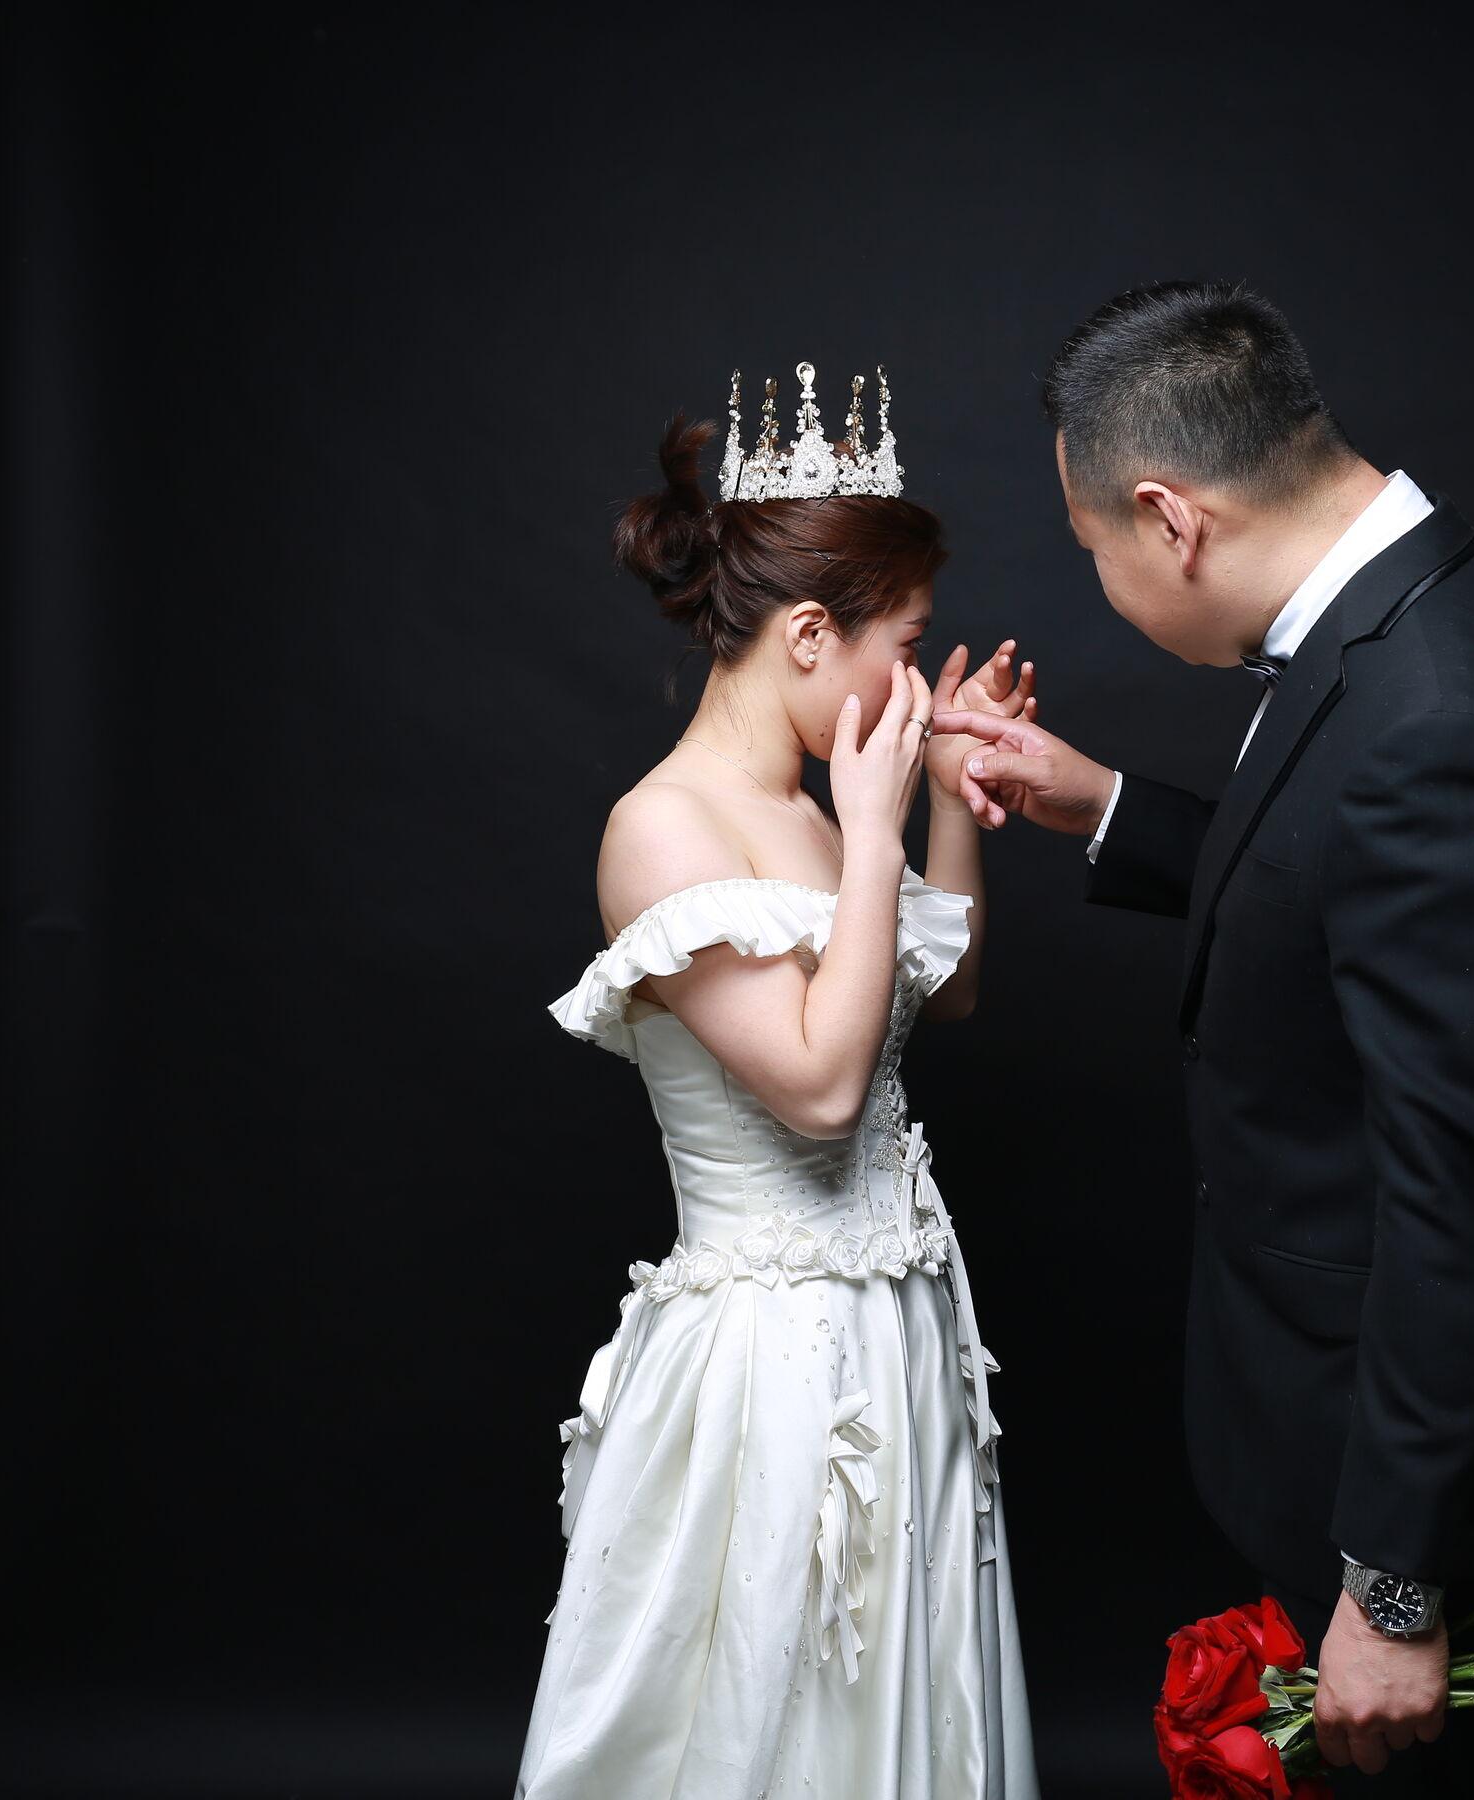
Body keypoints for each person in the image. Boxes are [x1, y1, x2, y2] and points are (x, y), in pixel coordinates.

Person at [935, 285, 1474, 1795]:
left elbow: (1460, 1180)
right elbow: (1346, 886)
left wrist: (1397, 1585)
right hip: (1343, 1424)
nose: (1099, 581)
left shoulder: (1441, 719)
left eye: (1093, 550)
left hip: (1431, 1480)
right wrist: (1103, 806)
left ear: (1170, 518)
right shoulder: (1417, 606)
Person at [514, 364, 1042, 1800]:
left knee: (901, 1707)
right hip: (774, 1363)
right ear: (811, 635)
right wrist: (873, 835)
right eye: (905, 646)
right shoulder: (663, 828)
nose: (916, 686)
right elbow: (819, 1088)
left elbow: (939, 987)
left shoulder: (813, 808)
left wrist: (944, 802)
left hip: (902, 1327)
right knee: (774, 1704)